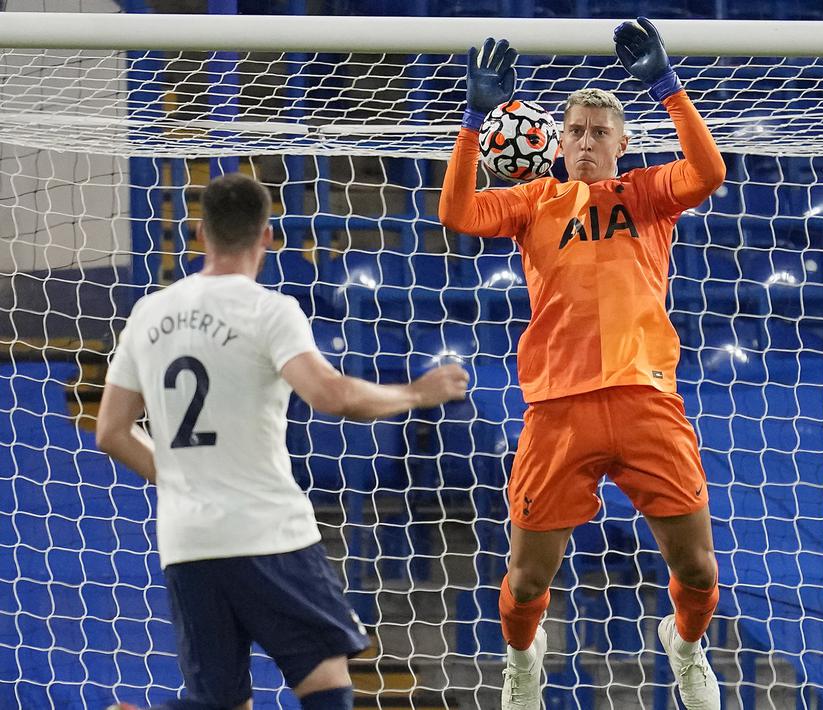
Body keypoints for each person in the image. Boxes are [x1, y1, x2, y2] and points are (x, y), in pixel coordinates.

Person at [438, 17, 726, 710]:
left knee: (695, 565)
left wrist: (666, 86)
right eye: (575, 131)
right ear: (554, 143)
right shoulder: (533, 201)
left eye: (600, 132)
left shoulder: (648, 196)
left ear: (623, 144)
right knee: (527, 578)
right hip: (557, 410)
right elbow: (455, 213)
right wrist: (474, 120)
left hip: (644, 399)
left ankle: (684, 644)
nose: (587, 141)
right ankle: (521, 659)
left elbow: (710, 171)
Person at [97, 173, 469, 710]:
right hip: (265, 530)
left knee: (221, 703)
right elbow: (332, 396)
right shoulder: (270, 310)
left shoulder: (147, 314)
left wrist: (184, 479)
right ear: (268, 235)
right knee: (326, 682)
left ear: (199, 233)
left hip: (187, 538)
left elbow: (111, 430)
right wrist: (417, 392)